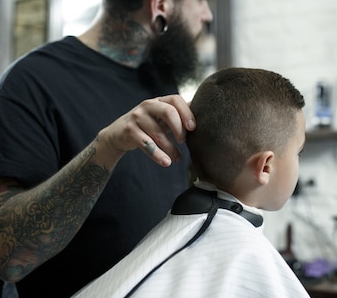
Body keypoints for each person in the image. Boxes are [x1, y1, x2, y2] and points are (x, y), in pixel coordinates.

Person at [0, 0, 215, 298]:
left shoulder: (157, 80)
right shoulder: (30, 83)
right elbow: (7, 257)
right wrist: (106, 149)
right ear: (161, 4)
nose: (207, 15)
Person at [72, 67, 310, 298]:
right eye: (298, 151)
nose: (298, 160)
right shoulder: (248, 256)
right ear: (265, 167)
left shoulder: (176, 229)